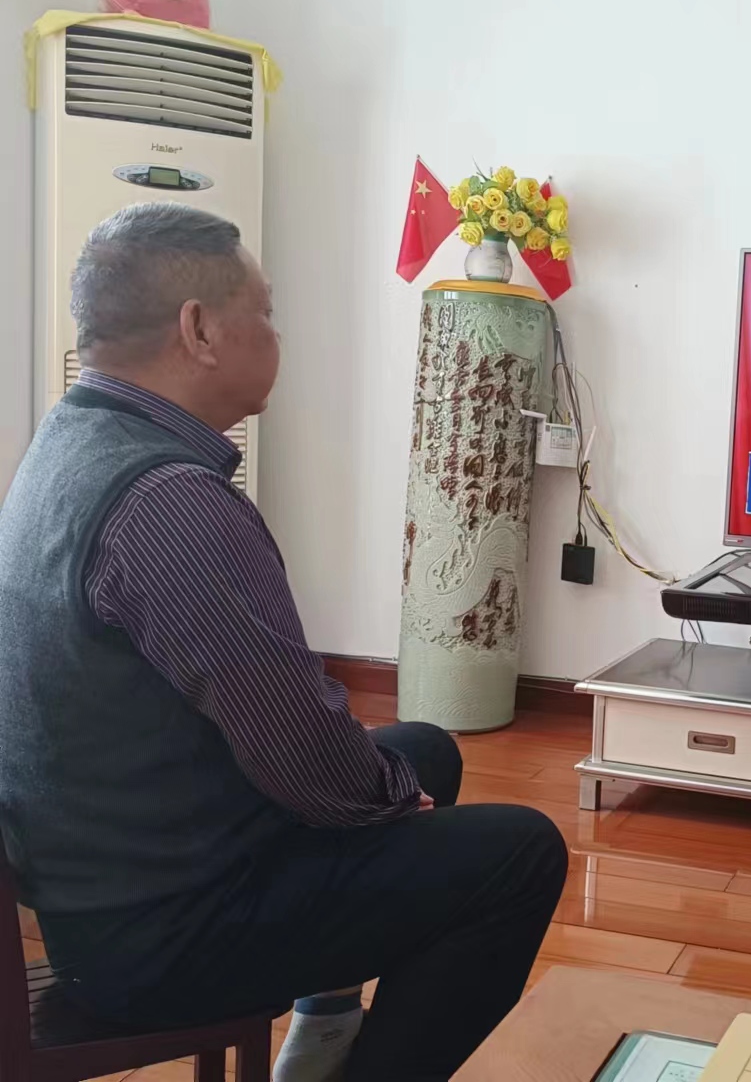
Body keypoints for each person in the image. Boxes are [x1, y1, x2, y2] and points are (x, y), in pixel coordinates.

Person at [0, 203, 568, 1082]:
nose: (276, 335)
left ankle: (325, 1032)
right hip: (159, 937)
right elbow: (302, 748)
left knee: (423, 748)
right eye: (264, 312)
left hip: (103, 878)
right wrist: (391, 802)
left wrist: (389, 789)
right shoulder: (168, 503)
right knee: (519, 853)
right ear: (199, 330)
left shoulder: (70, 443)